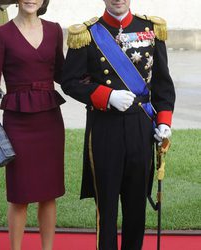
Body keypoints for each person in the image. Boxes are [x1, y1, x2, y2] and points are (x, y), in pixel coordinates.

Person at [62, 0, 175, 249]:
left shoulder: (151, 28)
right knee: (107, 206)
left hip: (141, 126)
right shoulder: (87, 33)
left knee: (136, 206)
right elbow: (69, 81)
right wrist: (106, 96)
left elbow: (163, 85)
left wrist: (164, 122)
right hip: (105, 127)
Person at [0, 0, 65, 249]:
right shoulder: (1, 34)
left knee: (49, 194)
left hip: (50, 120)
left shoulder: (54, 30)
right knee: (19, 195)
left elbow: (62, 74)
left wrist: (94, 84)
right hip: (18, 123)